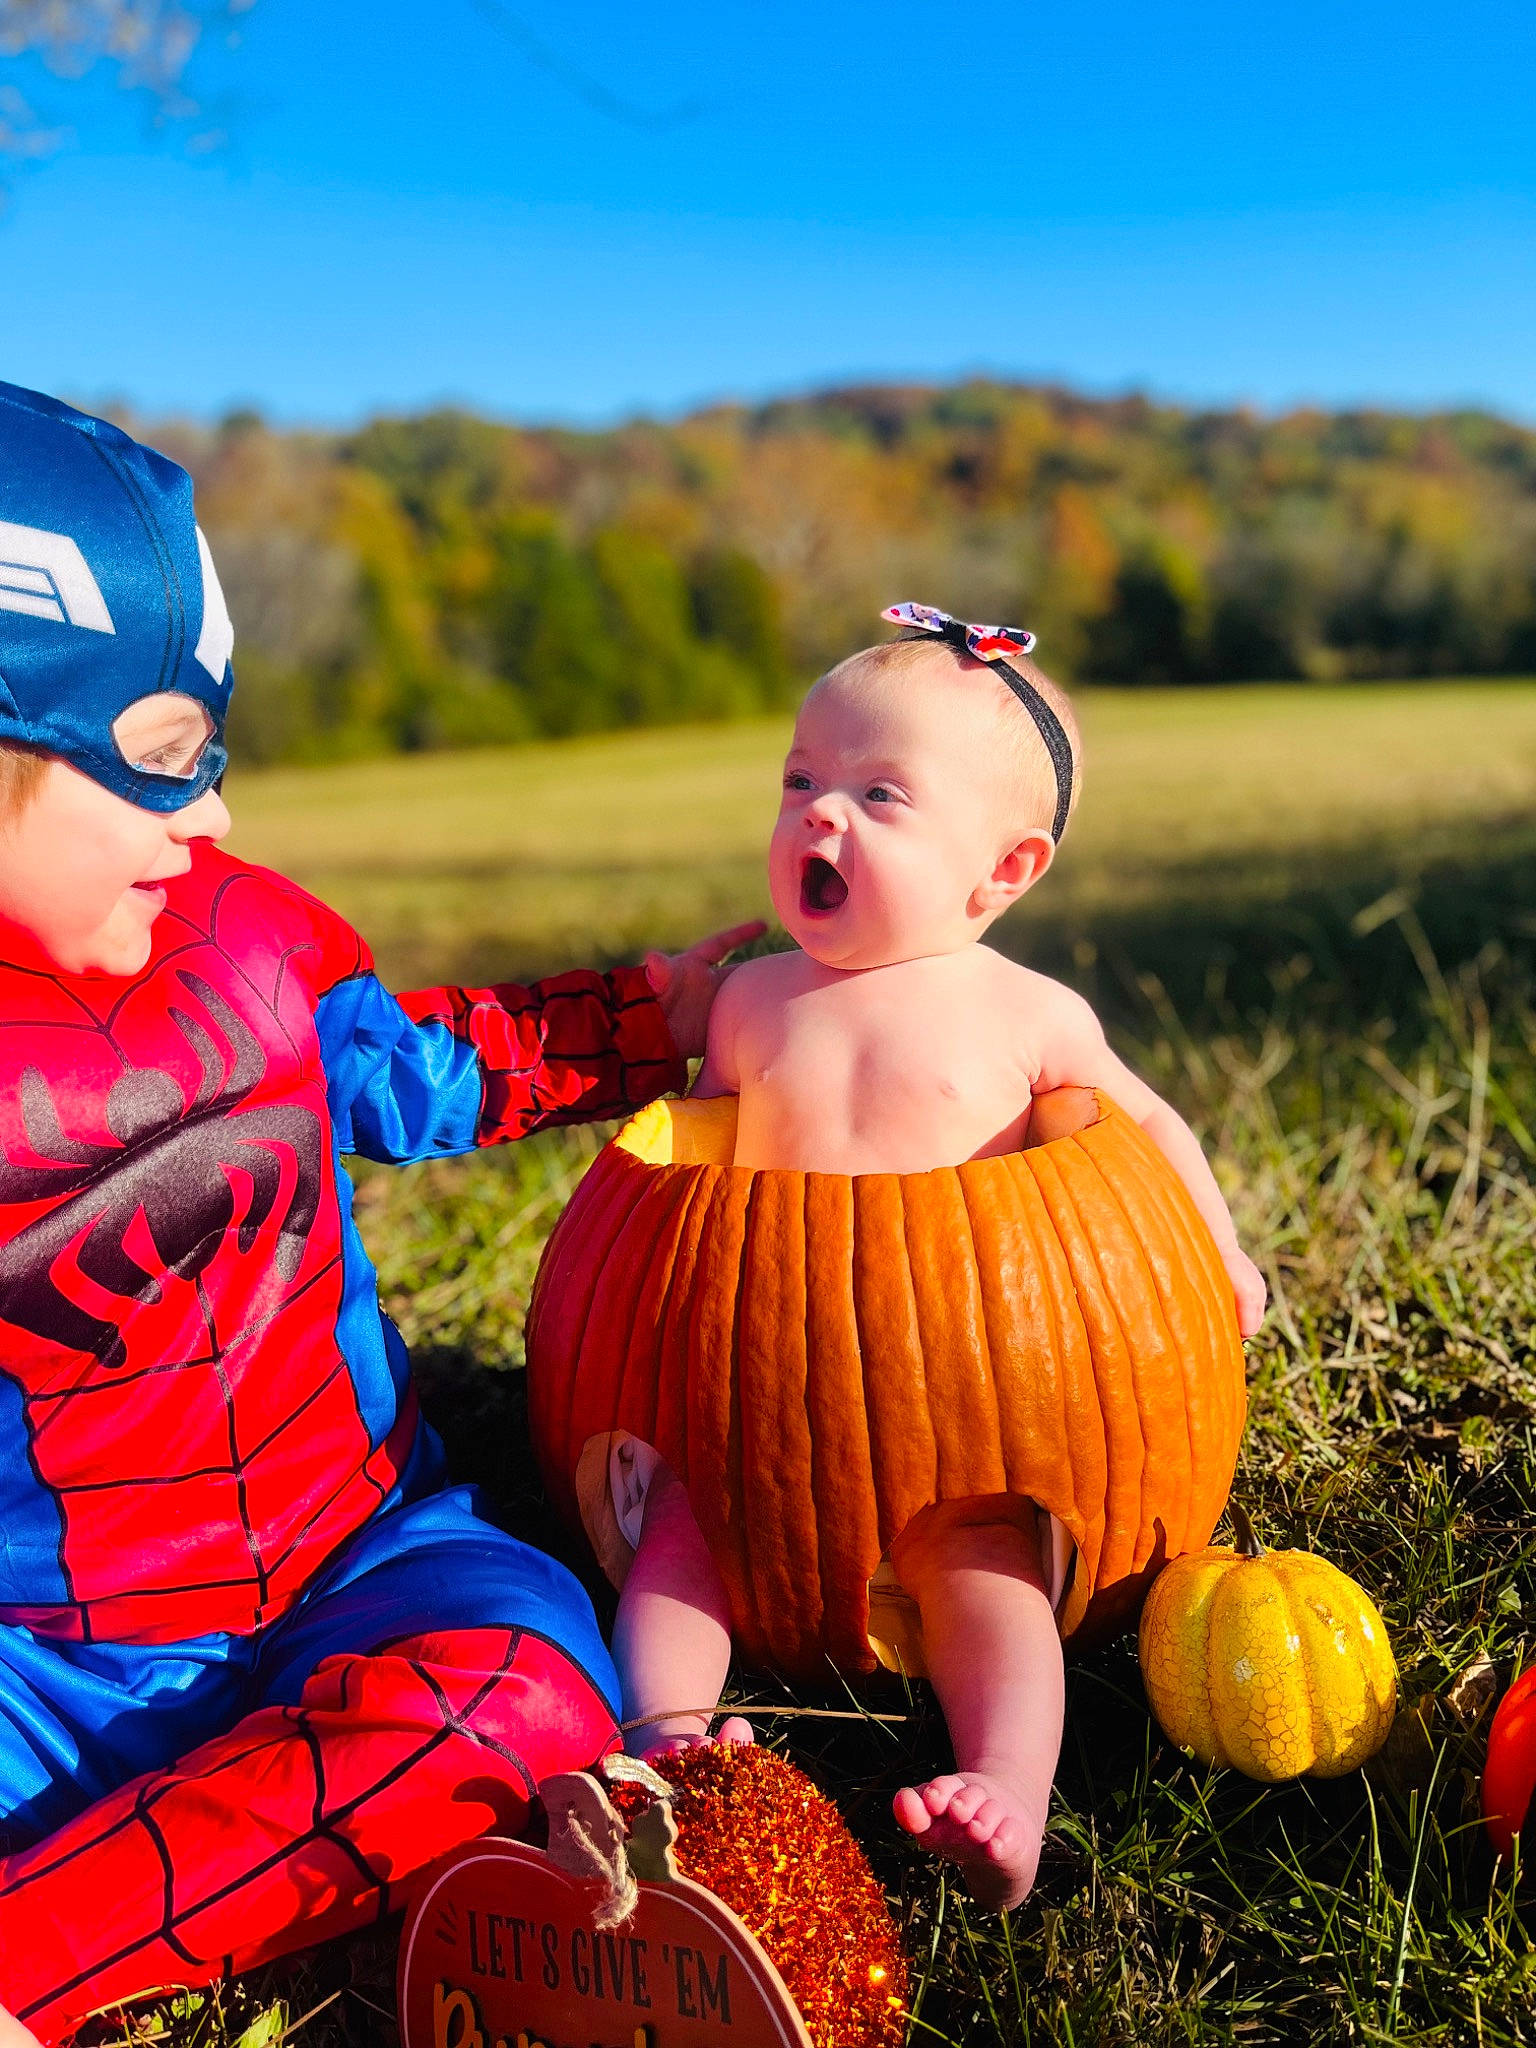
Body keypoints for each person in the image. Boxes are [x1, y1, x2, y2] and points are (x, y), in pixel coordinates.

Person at [0, 380, 756, 2046]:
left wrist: (655, 1014)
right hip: (37, 1662)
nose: (211, 818)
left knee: (538, 1694)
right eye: (153, 762)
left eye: (217, 752)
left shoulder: (255, 935)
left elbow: (423, 1075)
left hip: (364, 1556)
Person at [611, 604, 1267, 1913]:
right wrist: (664, 1013)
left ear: (1003, 869)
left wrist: (1219, 1252)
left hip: (961, 1398)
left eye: (877, 794)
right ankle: (669, 1739)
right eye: (800, 782)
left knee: (989, 1578)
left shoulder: (1026, 1013)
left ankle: (1008, 1788)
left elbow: (1146, 1126)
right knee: (675, 1550)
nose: (819, 817)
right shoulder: (751, 1005)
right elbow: (686, 1170)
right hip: (751, 1383)